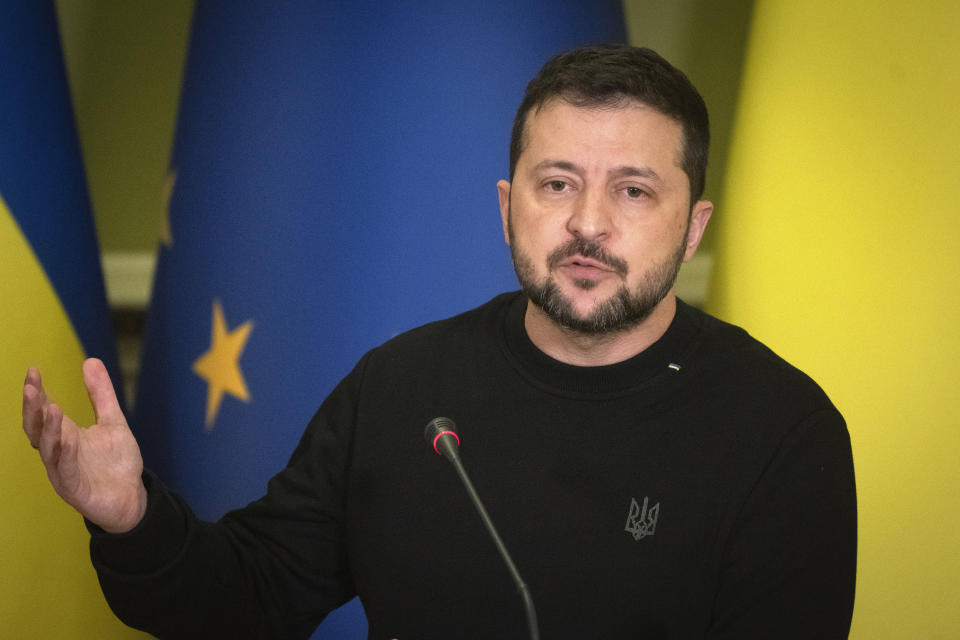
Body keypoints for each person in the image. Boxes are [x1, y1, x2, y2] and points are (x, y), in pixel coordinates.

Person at [21, 45, 856, 639]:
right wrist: (134, 520)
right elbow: (248, 599)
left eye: (633, 191)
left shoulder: (782, 431)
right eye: (556, 183)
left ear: (693, 228)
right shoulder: (403, 387)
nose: (588, 224)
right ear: (506, 206)